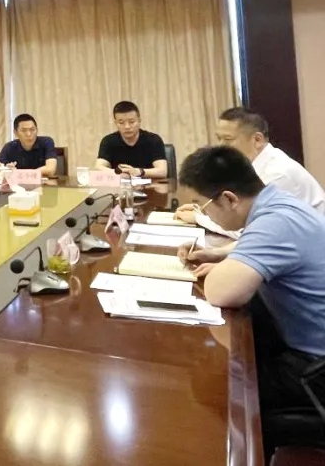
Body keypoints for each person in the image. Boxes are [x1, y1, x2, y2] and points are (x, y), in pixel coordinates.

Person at [175, 146, 325, 455]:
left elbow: (221, 292)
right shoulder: (279, 204)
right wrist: (220, 255)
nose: (203, 215)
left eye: (203, 207)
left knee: (218, 391)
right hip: (309, 344)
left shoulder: (274, 224)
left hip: (315, 368)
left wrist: (224, 270)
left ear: (229, 199)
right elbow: (258, 243)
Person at [177, 108, 324, 224]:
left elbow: (251, 225)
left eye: (228, 139)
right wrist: (205, 210)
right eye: (219, 138)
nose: (220, 146)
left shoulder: (278, 173)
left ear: (257, 140)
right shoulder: (250, 165)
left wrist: (200, 219)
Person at [95, 101, 168, 179]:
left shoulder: (153, 140)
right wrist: (119, 173)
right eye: (121, 123)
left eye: (131, 122)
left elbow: (162, 171)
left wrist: (139, 172)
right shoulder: (108, 141)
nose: (127, 126)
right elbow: (98, 167)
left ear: (139, 121)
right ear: (115, 123)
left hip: (150, 185)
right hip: (120, 185)